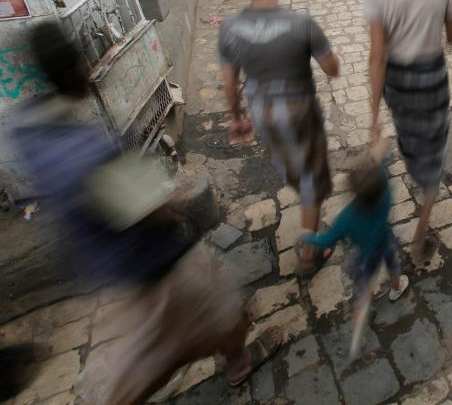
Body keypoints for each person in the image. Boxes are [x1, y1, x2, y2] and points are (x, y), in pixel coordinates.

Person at [8, 22, 281, 402]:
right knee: (219, 314)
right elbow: (150, 212)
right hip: (156, 261)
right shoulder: (86, 153)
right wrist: (174, 209)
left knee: (155, 347)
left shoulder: (29, 129)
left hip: (113, 271)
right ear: (74, 70)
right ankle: (237, 362)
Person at [219, 0, 341, 275]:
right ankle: (307, 255)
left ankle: (306, 209)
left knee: (294, 169)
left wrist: (238, 118)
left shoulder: (230, 29)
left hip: (263, 113)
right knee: (312, 180)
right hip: (300, 109)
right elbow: (332, 69)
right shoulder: (301, 24)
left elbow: (230, 86)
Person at [365, 0, 452, 261]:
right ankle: (423, 223)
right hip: (433, 76)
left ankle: (420, 221)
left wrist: (374, 113)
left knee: (411, 140)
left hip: (400, 83)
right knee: (433, 146)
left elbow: (378, 56)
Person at [299, 137, 410, 357]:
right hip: (383, 242)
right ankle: (397, 286)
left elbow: (327, 240)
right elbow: (381, 169)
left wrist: (308, 236)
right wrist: (380, 151)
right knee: (392, 264)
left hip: (364, 256)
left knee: (365, 289)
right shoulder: (386, 194)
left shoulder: (347, 218)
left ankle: (359, 320)